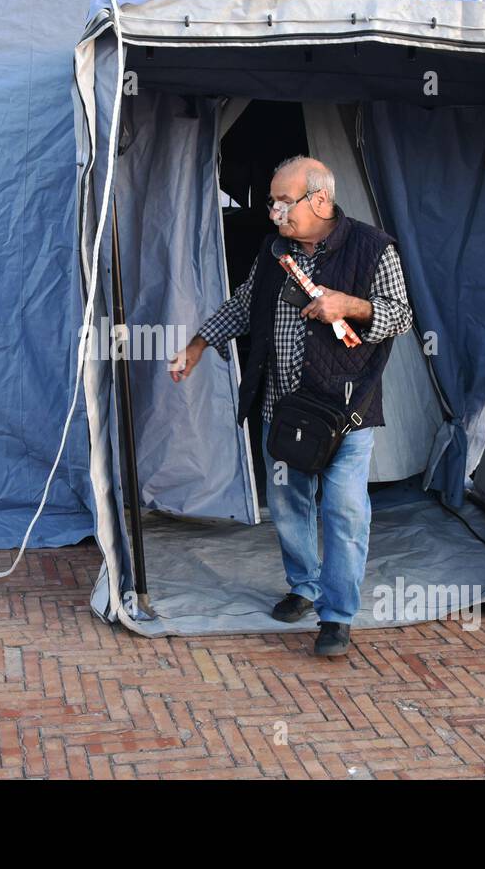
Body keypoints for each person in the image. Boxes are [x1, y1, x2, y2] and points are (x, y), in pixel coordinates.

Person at [169, 156, 413, 657]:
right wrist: (197, 344)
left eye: (285, 202)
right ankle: (303, 586)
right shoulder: (275, 249)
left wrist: (350, 305)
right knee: (287, 504)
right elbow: (244, 305)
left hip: (345, 412)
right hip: (280, 410)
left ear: (319, 200)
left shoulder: (372, 248)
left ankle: (338, 615)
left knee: (344, 511)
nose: (274, 212)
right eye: (273, 202)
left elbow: (401, 315)